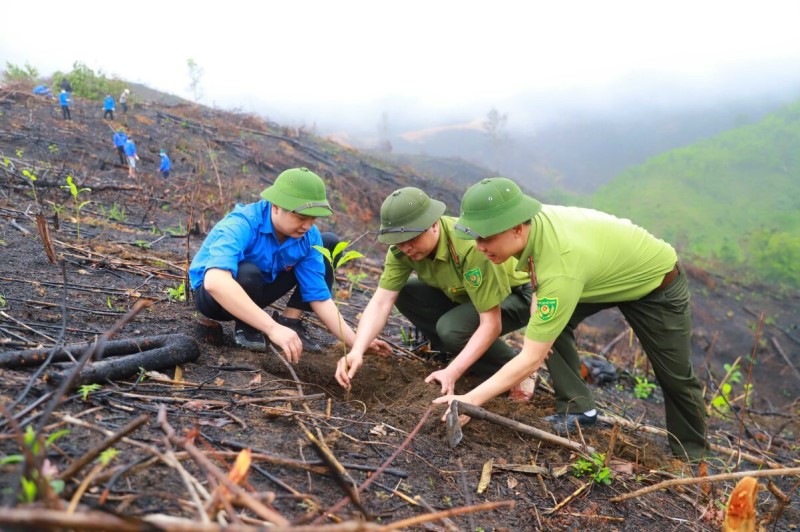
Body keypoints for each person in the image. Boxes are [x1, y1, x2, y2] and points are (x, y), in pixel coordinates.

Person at [434, 177, 707, 462]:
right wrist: (538, 311)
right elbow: (540, 277)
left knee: (675, 376)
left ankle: (696, 458)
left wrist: (470, 400)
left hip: (654, 283)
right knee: (546, 324)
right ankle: (578, 408)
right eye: (475, 238)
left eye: (485, 238)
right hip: (596, 275)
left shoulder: (559, 265)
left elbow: (532, 356)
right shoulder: (528, 224)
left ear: (515, 229)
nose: (478, 247)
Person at [335, 187, 537, 400]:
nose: (406, 248)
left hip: (513, 295)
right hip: (466, 297)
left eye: (412, 239)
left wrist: (453, 372)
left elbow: (491, 323)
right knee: (406, 292)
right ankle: (462, 355)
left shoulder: (468, 246)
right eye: (399, 242)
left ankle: (515, 368)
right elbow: (381, 302)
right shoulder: (401, 251)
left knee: (452, 329)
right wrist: (357, 349)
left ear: (433, 224)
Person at [188, 167, 391, 362]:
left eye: (312, 219)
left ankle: (290, 322)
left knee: (326, 243)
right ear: (276, 207)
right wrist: (272, 328)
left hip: (258, 292)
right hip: (214, 300)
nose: (307, 226)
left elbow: (319, 297)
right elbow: (215, 282)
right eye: (301, 218)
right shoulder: (242, 224)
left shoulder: (308, 236)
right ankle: (248, 327)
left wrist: (357, 343)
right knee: (246, 272)